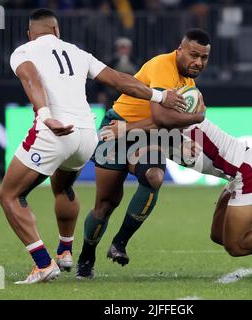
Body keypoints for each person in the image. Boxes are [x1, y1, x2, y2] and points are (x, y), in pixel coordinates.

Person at [0, 8, 185, 285]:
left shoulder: (23, 51)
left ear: (30, 34)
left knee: (9, 196)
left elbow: (31, 80)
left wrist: (46, 115)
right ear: (57, 31)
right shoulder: (77, 52)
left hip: (55, 131)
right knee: (62, 187)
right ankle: (64, 250)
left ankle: (43, 264)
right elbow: (120, 80)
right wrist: (159, 96)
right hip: (87, 135)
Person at [102, 111, 252, 280]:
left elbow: (160, 125)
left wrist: (123, 129)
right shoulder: (162, 131)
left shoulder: (178, 121)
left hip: (250, 172)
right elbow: (153, 138)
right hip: (236, 176)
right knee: (219, 236)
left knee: (236, 246)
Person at [75, 29, 211, 279]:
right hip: (115, 127)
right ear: (179, 49)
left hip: (143, 136)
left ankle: (119, 243)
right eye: (193, 55)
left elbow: (168, 123)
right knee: (105, 204)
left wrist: (180, 140)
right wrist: (198, 117)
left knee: (154, 177)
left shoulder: (188, 84)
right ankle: (86, 257)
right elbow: (161, 117)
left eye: (204, 58)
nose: (198, 62)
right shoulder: (163, 65)